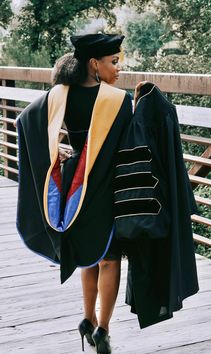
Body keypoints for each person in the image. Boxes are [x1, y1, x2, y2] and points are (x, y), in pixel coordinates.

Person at [16, 33, 133, 354]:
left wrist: (56, 152)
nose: (119, 68)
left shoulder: (58, 95)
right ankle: (103, 331)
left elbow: (24, 120)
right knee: (109, 260)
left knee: (87, 255)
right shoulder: (119, 101)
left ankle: (87, 319)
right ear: (95, 64)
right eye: (113, 61)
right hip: (106, 191)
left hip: (74, 190)